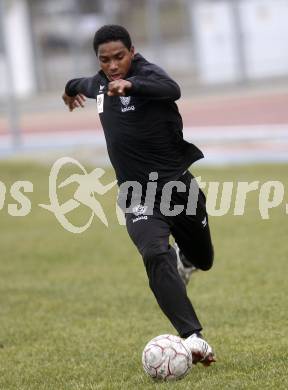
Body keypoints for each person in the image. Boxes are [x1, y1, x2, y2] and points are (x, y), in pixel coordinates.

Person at [62, 25, 215, 366]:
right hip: (135, 194)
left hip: (179, 189)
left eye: (119, 57)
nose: (113, 66)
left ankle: (187, 261)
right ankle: (192, 337)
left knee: (204, 258)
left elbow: (171, 88)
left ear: (132, 51)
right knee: (155, 253)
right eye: (105, 60)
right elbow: (78, 83)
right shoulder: (99, 83)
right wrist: (69, 91)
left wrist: (132, 84)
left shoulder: (147, 75)